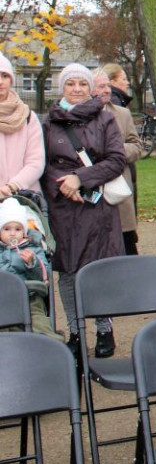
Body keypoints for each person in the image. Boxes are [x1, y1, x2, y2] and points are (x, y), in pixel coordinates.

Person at [42, 63, 126, 359]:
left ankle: (104, 328)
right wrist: (63, 185)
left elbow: (116, 159)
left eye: (82, 84)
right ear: (62, 87)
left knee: (99, 270)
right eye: (70, 83)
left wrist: (81, 178)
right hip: (63, 207)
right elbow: (43, 164)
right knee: (68, 271)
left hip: (97, 205)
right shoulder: (49, 123)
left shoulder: (105, 119)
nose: (76, 89)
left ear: (90, 88)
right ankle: (75, 331)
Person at [92, 70, 143, 255]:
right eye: (101, 86)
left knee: (126, 249)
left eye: (108, 85)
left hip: (118, 192)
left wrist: (116, 150)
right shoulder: (77, 116)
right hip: (90, 191)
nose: (107, 90)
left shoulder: (122, 114)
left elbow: (137, 147)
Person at [0, 197, 60, 340]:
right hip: (3, 300)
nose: (12, 233)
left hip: (30, 298)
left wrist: (32, 263)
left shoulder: (33, 250)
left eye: (18, 229)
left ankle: (50, 344)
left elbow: (43, 277)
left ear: (25, 232)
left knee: (39, 325)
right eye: (7, 229)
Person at [0, 54, 45, 202]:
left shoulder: (27, 117)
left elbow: (36, 162)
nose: (0, 81)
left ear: (11, 80)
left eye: (5, 75)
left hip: (21, 198)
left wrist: (12, 186)